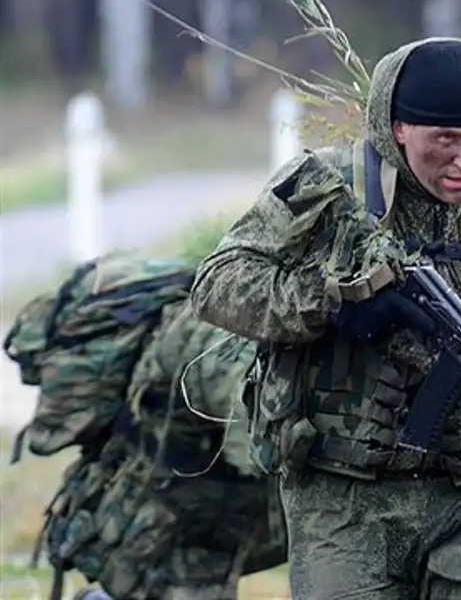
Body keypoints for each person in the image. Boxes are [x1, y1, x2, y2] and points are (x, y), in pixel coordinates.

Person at [189, 38, 461, 599]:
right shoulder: (325, 189)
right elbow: (217, 284)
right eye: (446, 139)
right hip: (342, 498)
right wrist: (336, 301)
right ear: (399, 127)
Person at [4, 251, 285, 600]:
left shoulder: (198, 333)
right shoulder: (197, 342)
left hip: (183, 516)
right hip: (176, 522)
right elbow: (259, 424)